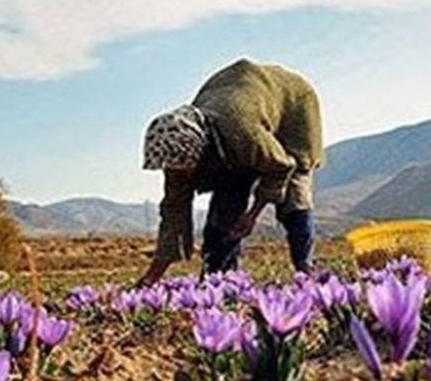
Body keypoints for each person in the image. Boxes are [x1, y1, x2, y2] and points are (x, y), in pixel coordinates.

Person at [136, 59, 324, 286]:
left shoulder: (243, 133)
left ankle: (306, 273)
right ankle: (221, 279)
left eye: (185, 169)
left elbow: (280, 165)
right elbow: (174, 215)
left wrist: (253, 214)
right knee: (225, 209)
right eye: (172, 170)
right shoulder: (176, 155)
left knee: (294, 197)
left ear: (201, 151)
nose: (179, 175)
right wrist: (151, 277)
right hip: (234, 111)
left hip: (293, 107)